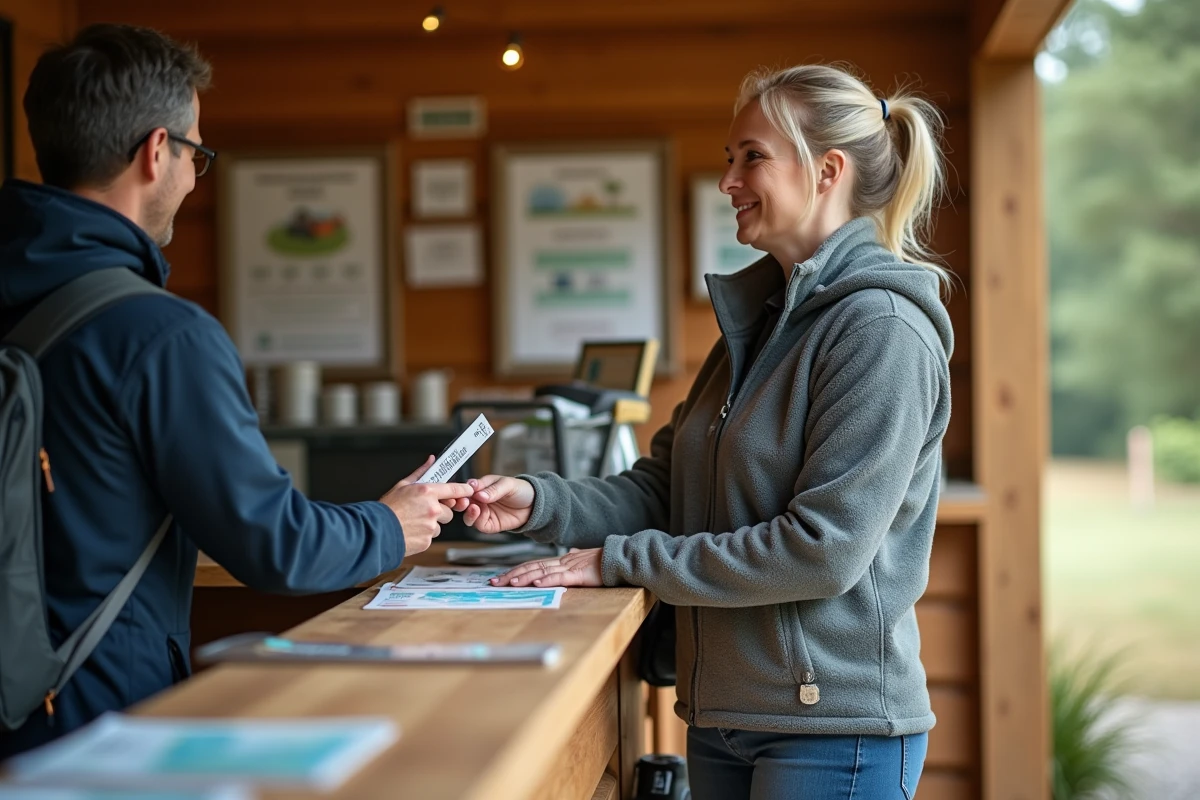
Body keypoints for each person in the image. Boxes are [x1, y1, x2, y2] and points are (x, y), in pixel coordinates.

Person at [464, 63, 953, 800]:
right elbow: (667, 488)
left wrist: (619, 561)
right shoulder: (754, 327)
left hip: (832, 728)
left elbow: (823, 551)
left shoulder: (881, 331)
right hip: (726, 716)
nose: (728, 180)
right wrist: (540, 502)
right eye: (730, 158)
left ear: (827, 171)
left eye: (751, 156)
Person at [0, 24, 472, 757]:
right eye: (196, 154)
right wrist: (390, 524)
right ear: (157, 153)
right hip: (93, 722)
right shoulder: (158, 334)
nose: (193, 178)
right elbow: (273, 544)